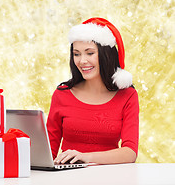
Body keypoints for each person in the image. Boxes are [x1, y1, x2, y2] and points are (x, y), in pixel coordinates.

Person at [47, 17, 139, 165]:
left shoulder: (127, 96)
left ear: (106, 55)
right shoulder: (62, 94)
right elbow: (48, 152)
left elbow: (130, 152)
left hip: (110, 177)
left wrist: (85, 157)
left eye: (89, 53)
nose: (82, 61)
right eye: (76, 54)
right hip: (68, 178)